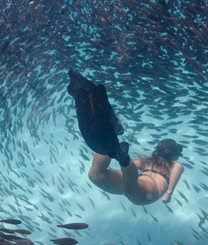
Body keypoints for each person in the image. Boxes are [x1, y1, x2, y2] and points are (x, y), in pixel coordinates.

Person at [67, 69, 185, 205]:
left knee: (114, 179)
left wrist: (127, 168)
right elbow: (177, 169)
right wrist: (169, 194)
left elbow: (133, 169)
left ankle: (113, 139)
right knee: (96, 176)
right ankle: (119, 153)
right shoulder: (174, 165)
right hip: (147, 192)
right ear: (173, 154)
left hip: (139, 184)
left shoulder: (149, 162)